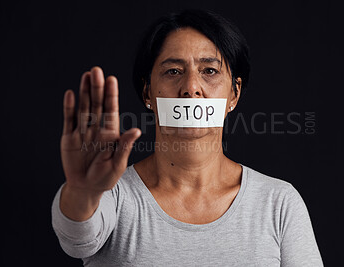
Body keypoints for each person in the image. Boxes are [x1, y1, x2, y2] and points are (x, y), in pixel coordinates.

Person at [52, 9, 323, 266]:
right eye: (173, 71)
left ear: (234, 93)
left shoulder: (278, 203)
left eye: (209, 71)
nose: (191, 87)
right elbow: (77, 239)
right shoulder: (112, 196)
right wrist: (82, 192)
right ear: (148, 92)